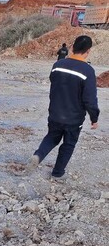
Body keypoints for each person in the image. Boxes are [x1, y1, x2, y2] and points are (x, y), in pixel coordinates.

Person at [28, 35, 99, 181]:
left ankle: (38, 155)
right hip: (74, 118)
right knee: (68, 144)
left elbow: (53, 82)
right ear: (88, 51)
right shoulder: (88, 71)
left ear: (72, 47)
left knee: (51, 137)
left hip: (55, 113)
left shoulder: (58, 65)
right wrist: (94, 118)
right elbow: (89, 100)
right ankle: (57, 173)